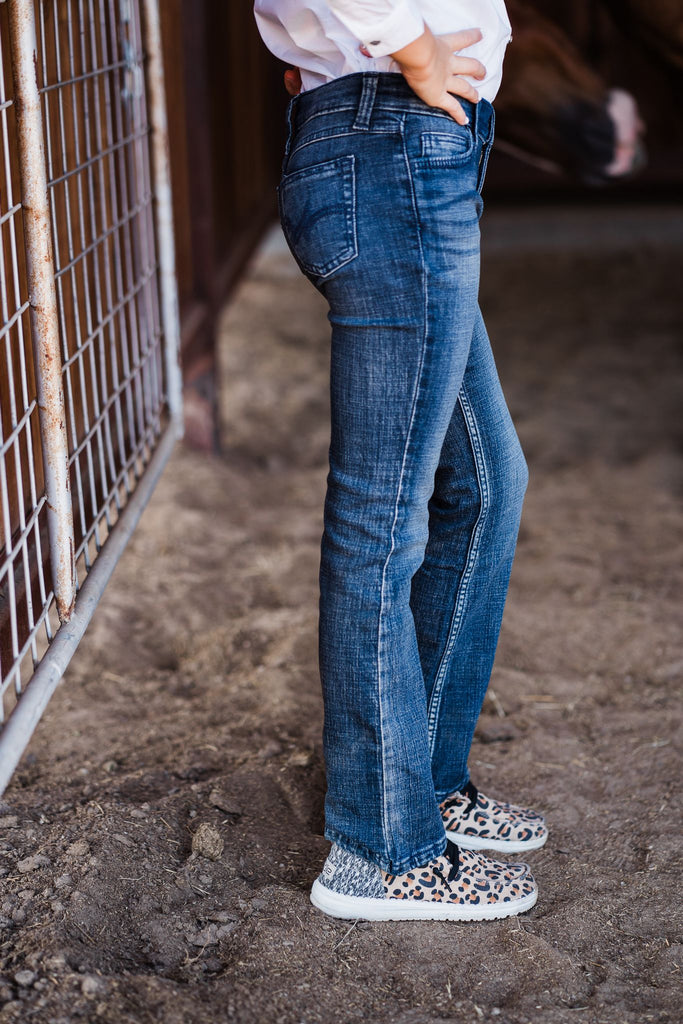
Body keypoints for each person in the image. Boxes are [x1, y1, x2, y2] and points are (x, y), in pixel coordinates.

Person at [253, 0, 547, 921]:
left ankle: (425, 785)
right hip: (390, 141)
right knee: (384, 516)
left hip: (403, 141)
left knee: (487, 482)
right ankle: (379, 851)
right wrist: (409, 47)